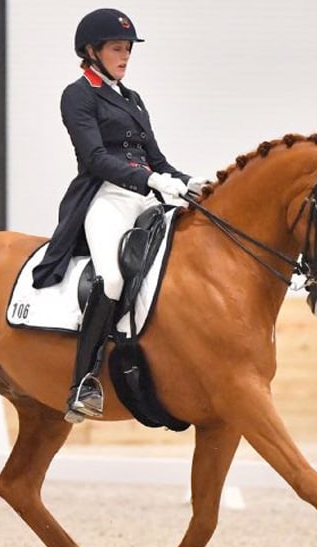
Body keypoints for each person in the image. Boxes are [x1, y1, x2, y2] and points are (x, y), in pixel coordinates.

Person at [31, 7, 209, 423]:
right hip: (105, 197)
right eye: (116, 48)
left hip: (146, 198)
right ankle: (83, 382)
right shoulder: (79, 94)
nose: (125, 56)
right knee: (111, 277)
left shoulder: (133, 99)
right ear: (92, 51)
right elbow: (94, 158)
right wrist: (151, 181)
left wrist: (190, 182)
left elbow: (157, 159)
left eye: (128, 48)